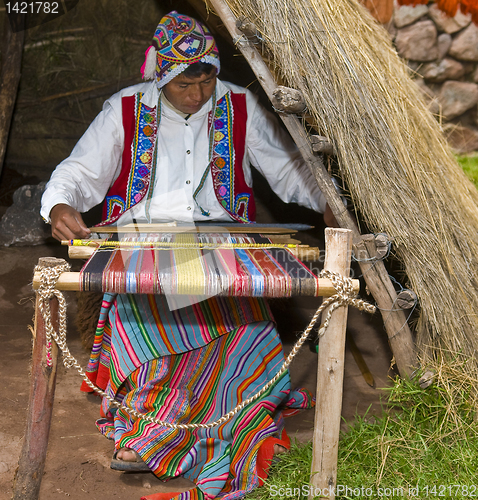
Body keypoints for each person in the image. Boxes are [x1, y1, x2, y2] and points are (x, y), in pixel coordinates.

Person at [41, 11, 333, 500]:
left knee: (242, 318)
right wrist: (60, 203)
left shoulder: (239, 106)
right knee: (163, 309)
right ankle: (157, 428)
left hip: (223, 240)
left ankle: (234, 410)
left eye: (207, 80)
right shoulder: (126, 109)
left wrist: (327, 201)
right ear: (160, 76)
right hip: (146, 238)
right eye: (183, 84)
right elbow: (78, 171)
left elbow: (288, 171)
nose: (198, 94)